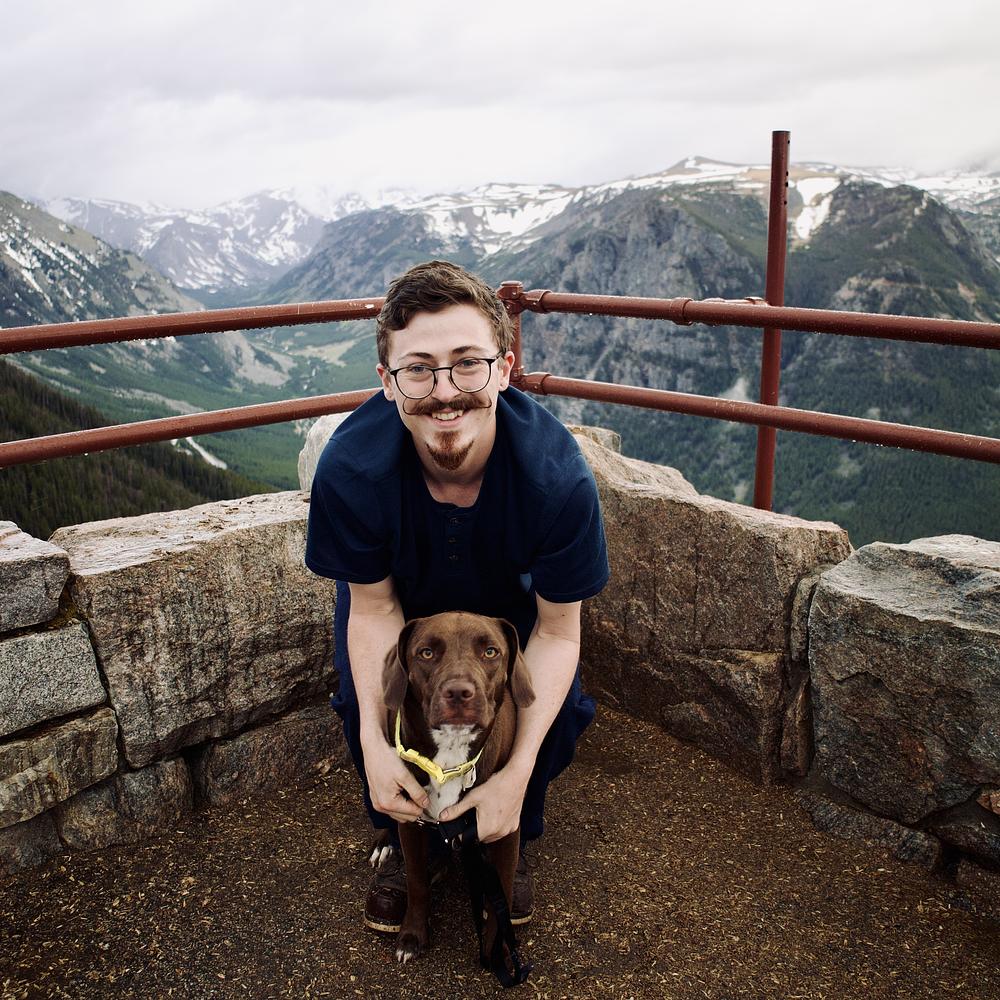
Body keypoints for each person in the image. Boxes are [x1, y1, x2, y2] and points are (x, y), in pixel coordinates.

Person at [305, 260, 609, 932]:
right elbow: (374, 609)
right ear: (387, 381)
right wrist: (375, 744)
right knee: (369, 703)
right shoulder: (350, 471)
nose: (445, 393)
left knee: (553, 711)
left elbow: (558, 632)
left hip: (511, 618)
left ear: (504, 369)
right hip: (402, 613)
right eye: (419, 370)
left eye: (468, 364)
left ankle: (507, 826)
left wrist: (516, 772)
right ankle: (400, 827)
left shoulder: (557, 481)